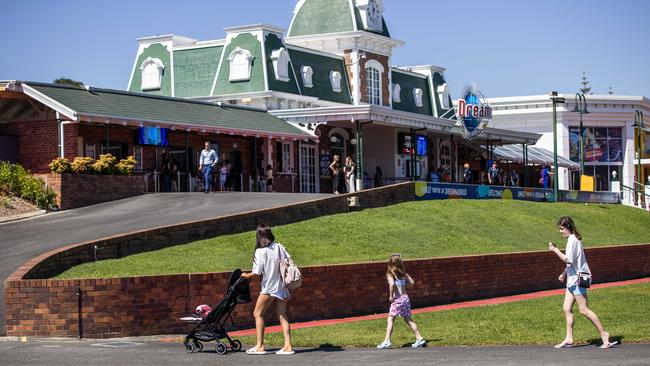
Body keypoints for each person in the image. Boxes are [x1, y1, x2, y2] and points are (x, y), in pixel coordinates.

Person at [548, 216, 617, 349]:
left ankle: (604, 334)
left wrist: (555, 250)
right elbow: (572, 263)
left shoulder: (573, 241)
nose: (560, 231)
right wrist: (564, 273)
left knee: (584, 310)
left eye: (562, 229)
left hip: (579, 281)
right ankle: (569, 338)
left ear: (568, 228)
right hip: (572, 281)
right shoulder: (571, 240)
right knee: (566, 308)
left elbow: (568, 260)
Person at [241, 225, 294, 355]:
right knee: (282, 315)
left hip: (269, 288)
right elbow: (288, 262)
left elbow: (257, 272)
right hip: (282, 286)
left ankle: (260, 346)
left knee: (257, 314)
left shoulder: (260, 252)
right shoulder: (278, 247)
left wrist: (245, 275)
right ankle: (288, 346)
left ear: (259, 236)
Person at [377, 254, 425, 349]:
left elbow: (391, 285)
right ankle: (419, 338)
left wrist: (391, 296)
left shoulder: (390, 274)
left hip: (397, 299)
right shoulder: (403, 273)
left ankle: (387, 341)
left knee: (390, 319)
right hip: (405, 298)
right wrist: (403, 287)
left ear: (390, 263)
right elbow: (412, 282)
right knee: (408, 319)